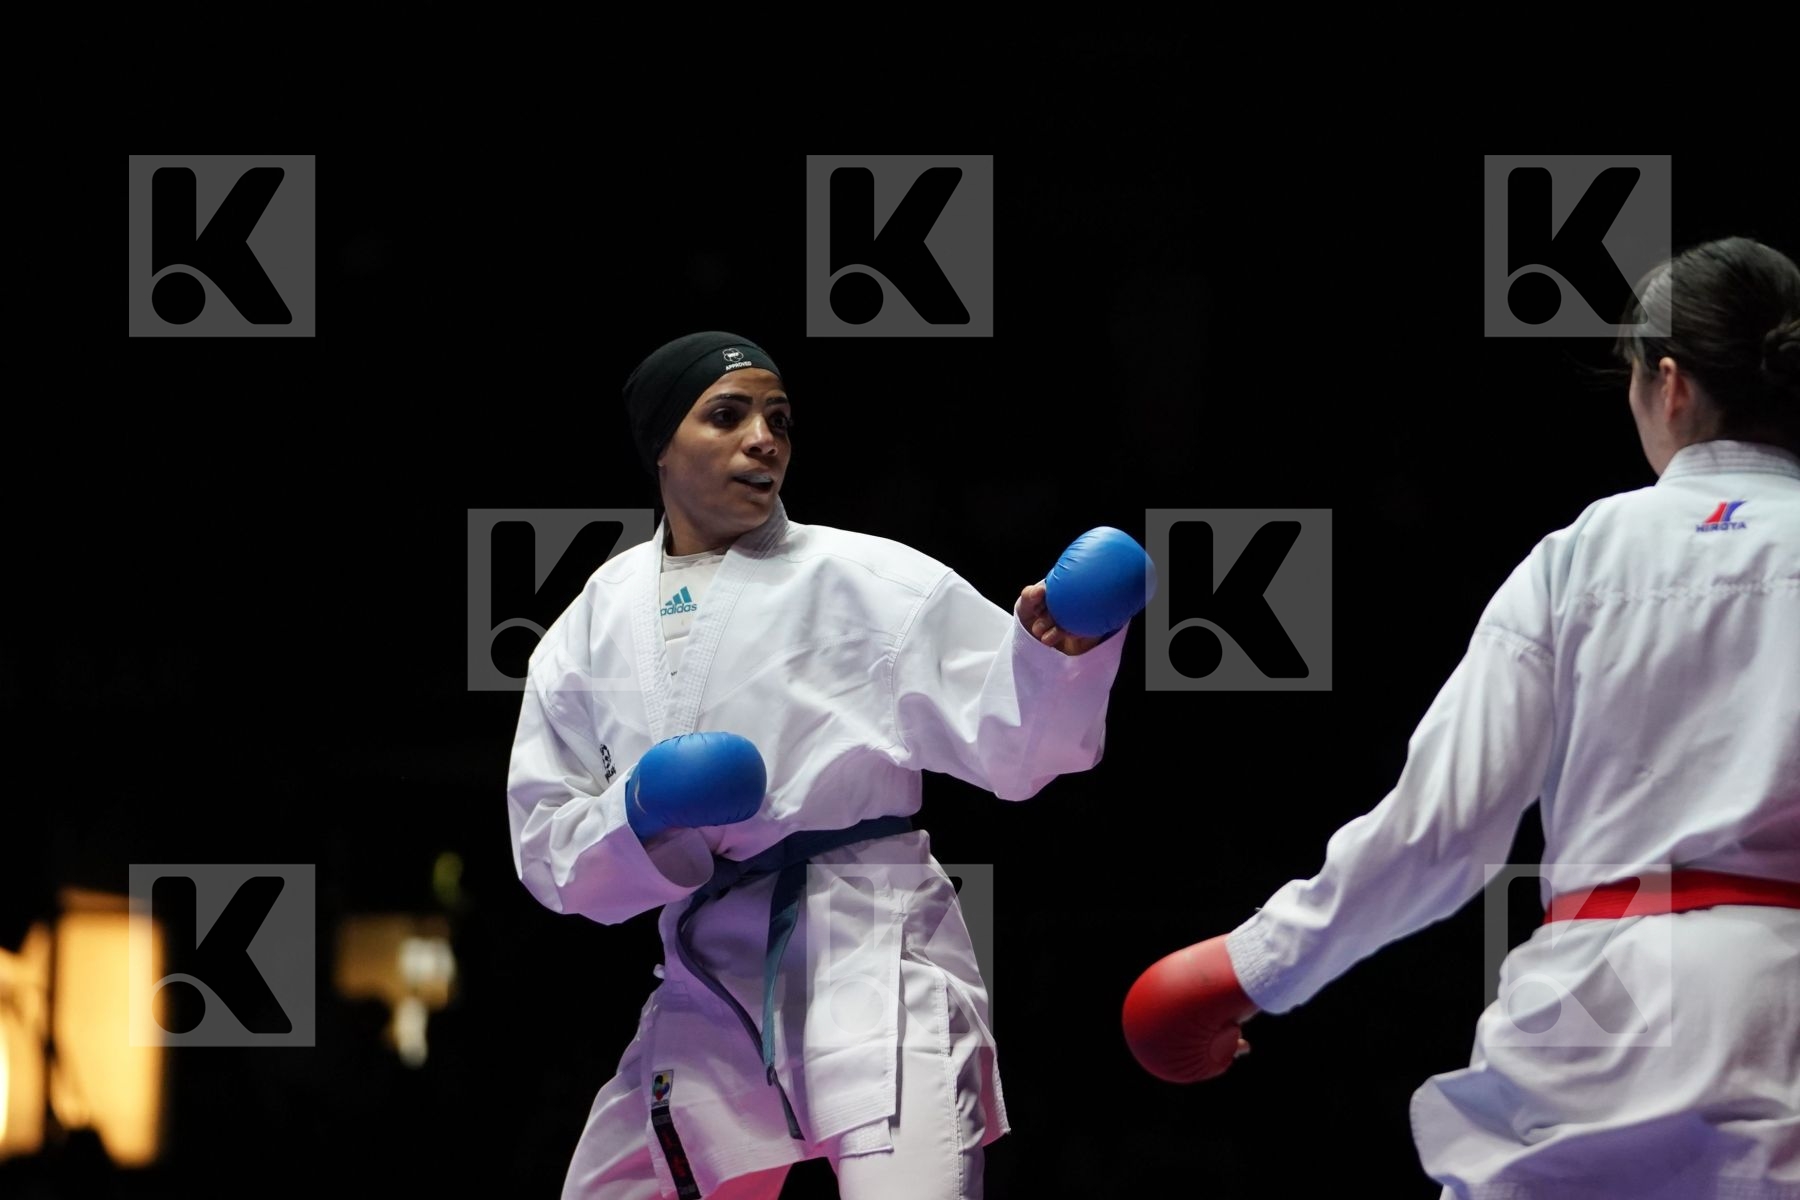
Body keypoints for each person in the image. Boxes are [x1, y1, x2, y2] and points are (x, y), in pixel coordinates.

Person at [1121, 236, 1800, 1200]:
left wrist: (1247, 967)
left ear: (1671, 383)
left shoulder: (1581, 556)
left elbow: (1442, 829)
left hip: (1598, 1025)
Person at [506, 331, 1150, 1199]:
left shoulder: (871, 579)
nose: (763, 439)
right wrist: (640, 812)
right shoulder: (590, 625)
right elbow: (547, 849)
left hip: (873, 949)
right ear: (661, 445)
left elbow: (1021, 750)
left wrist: (1060, 656)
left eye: (778, 418)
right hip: (706, 981)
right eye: (727, 416)